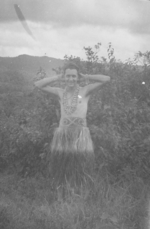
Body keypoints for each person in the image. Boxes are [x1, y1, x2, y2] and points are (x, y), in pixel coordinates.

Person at [34, 62, 110, 189]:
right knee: (63, 164)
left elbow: (106, 79)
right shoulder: (59, 92)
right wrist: (58, 77)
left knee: (80, 164)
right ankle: (62, 189)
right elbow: (38, 84)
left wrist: (86, 76)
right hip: (63, 135)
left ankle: (80, 189)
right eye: (68, 76)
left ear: (77, 77)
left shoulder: (85, 90)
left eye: (73, 76)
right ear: (64, 77)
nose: (71, 79)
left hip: (81, 135)